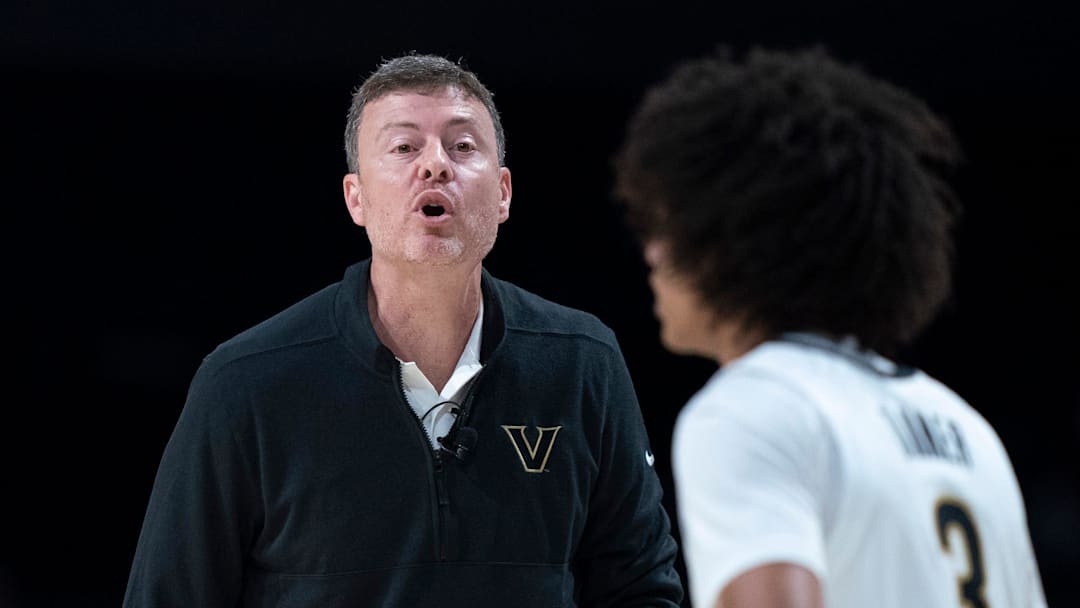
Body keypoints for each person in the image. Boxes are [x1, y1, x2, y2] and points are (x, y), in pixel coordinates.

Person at [123, 53, 683, 607]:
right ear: (356, 198)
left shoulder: (583, 362)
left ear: (505, 193)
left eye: (463, 147)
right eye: (404, 147)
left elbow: (641, 589)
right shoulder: (244, 382)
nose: (435, 165)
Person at [613, 46, 1047, 608]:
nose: (653, 252)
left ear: (732, 241)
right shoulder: (968, 429)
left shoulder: (752, 407)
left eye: (671, 225)